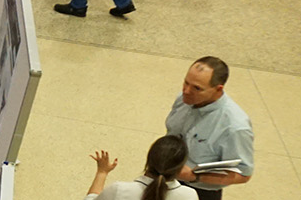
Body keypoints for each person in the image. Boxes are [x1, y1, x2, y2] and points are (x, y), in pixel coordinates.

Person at [164, 57, 255, 199]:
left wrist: (194, 176)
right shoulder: (184, 99)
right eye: (186, 82)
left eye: (197, 88)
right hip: (166, 178)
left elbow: (243, 174)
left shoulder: (235, 127)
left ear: (218, 89)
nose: (186, 91)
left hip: (199, 191)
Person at [82, 136, 197, 200]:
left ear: (148, 160)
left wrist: (102, 173)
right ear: (180, 168)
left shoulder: (119, 190)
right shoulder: (189, 196)